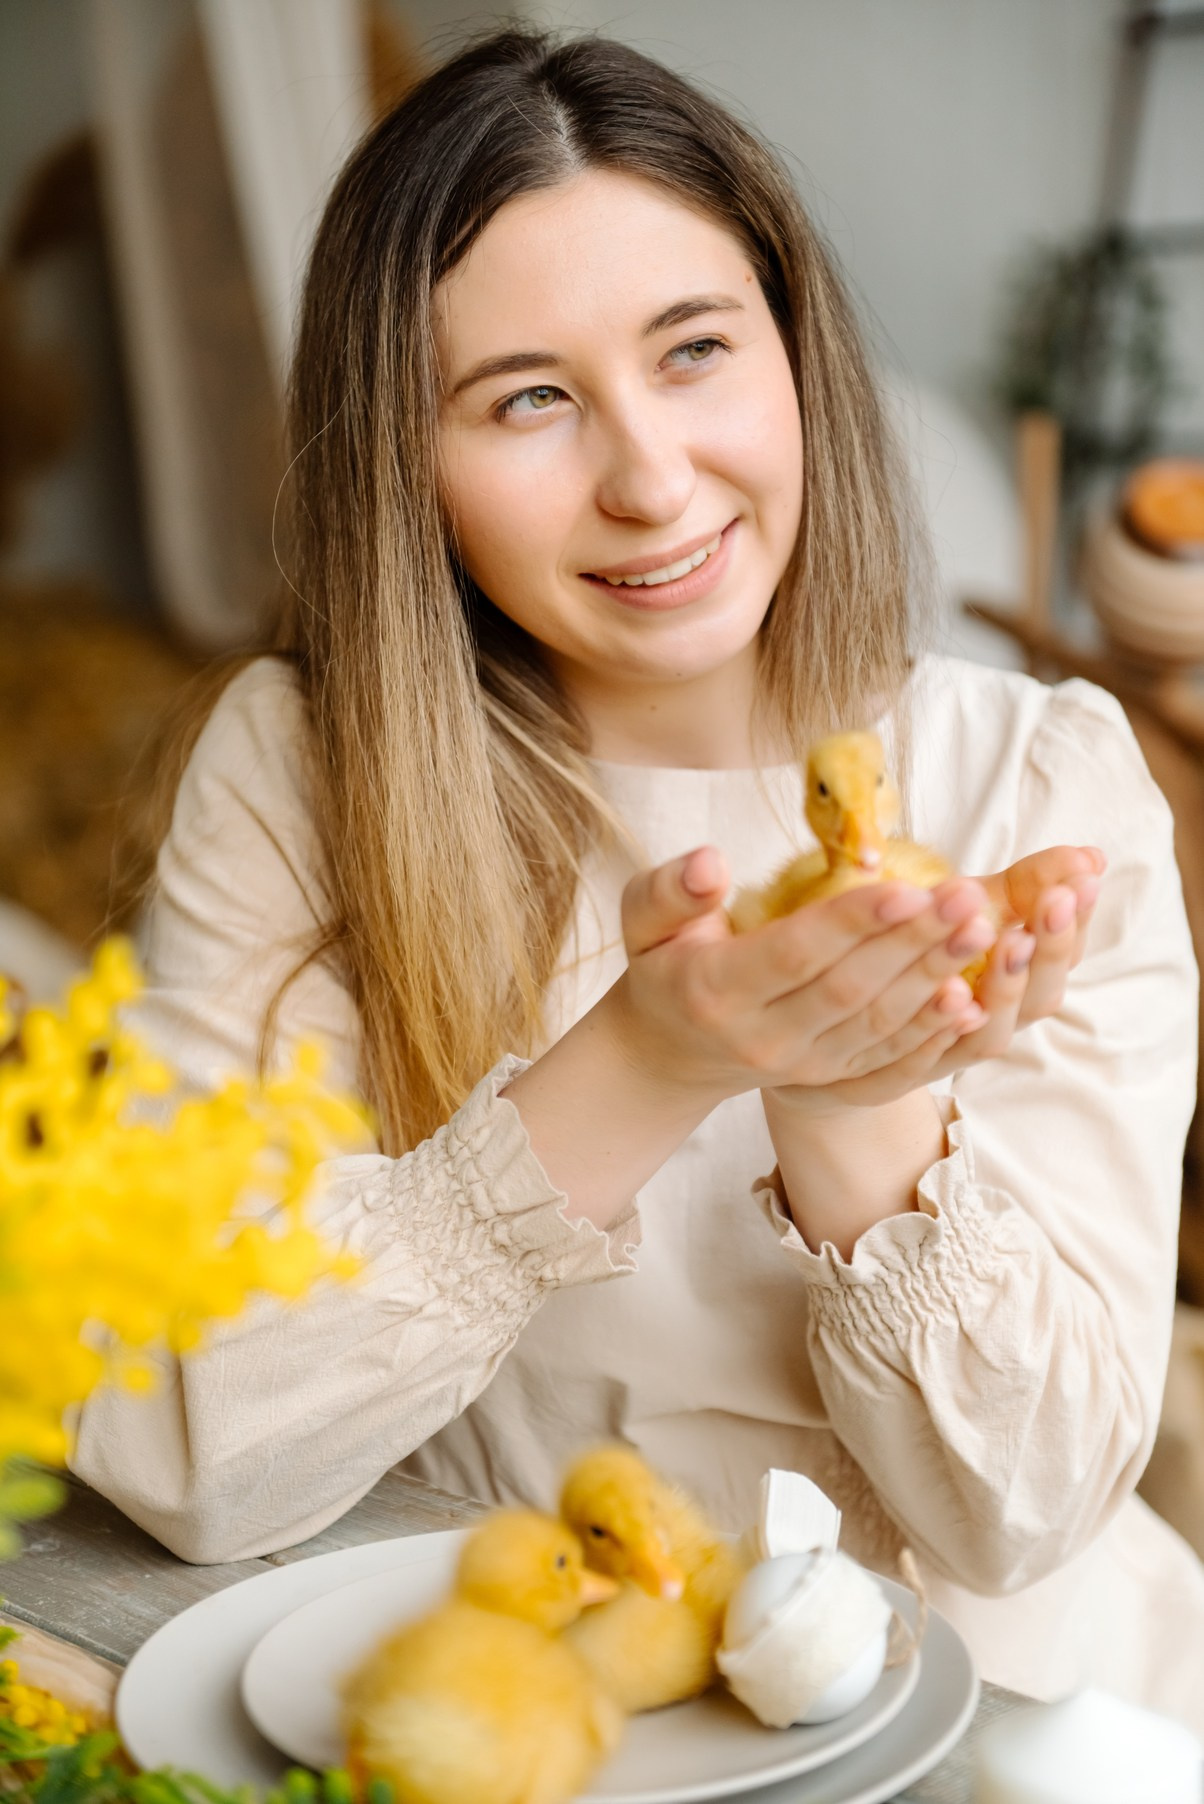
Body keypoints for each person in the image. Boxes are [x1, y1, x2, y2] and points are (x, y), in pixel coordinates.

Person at [74, 27, 1204, 1727]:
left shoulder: (1040, 781)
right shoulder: (306, 774)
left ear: (796, 358)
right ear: (407, 465)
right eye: (528, 397)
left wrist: (853, 1101)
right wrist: (649, 1060)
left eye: (695, 351)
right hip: (533, 1715)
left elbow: (1026, 1514)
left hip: (1014, 1731)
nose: (652, 479)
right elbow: (186, 1443)